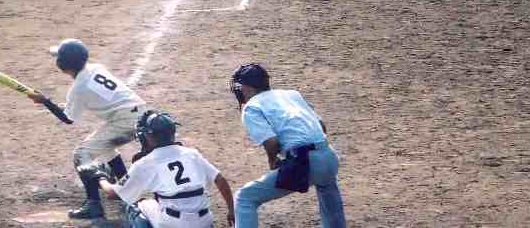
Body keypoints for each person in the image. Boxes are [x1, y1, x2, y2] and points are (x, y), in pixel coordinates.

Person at [28, 38, 146, 219]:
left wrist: (45, 101)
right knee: (103, 146)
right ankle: (124, 188)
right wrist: (50, 102)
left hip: (125, 121)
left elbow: (68, 118)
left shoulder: (78, 88)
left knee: (82, 154)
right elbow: (76, 105)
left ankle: (93, 204)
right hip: (138, 115)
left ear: (62, 65)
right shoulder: (95, 68)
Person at [229, 63, 346, 228]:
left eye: (240, 86)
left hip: (306, 161)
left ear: (247, 87)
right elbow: (322, 126)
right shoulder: (291, 94)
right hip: (330, 157)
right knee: (326, 186)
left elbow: (272, 143)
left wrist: (272, 161)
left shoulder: (252, 107)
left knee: (245, 198)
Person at [88, 110, 235, 228]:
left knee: (136, 207)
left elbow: (114, 193)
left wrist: (101, 178)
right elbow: (220, 180)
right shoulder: (191, 154)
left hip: (174, 223)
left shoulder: (146, 163)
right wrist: (231, 211)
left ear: (149, 137)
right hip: (204, 221)